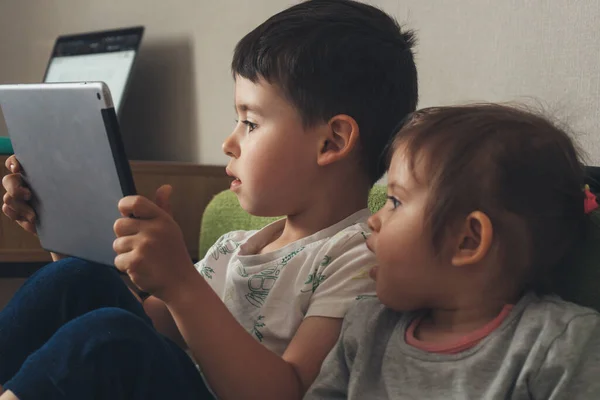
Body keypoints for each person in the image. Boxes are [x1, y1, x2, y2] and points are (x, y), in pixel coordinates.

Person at [0, 1, 418, 399]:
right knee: (75, 279)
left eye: (250, 122)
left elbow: (288, 392)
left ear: (332, 141)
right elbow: (145, 329)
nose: (228, 142)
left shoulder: (357, 259)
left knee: (109, 336)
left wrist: (181, 282)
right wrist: (64, 224)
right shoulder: (230, 249)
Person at [304, 104, 600, 399]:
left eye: (395, 201)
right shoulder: (367, 327)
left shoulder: (558, 345)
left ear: (467, 241)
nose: (374, 219)